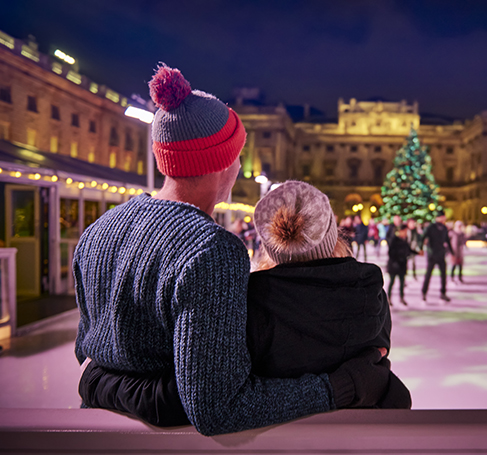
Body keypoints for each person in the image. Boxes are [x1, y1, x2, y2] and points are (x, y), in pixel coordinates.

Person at [74, 65, 392, 435]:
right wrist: (339, 386)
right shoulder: (211, 252)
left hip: (92, 438)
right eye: (238, 154)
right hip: (169, 454)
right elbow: (219, 408)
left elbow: (88, 358)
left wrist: (100, 383)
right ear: (223, 163)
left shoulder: (96, 232)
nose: (241, 165)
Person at [421, 209, 454, 302]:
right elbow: (423, 237)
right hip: (432, 255)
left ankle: (443, 293)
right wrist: (421, 248)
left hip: (441, 254)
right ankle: (424, 292)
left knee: (443, 275)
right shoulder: (431, 227)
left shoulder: (444, 228)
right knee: (428, 274)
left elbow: (447, 240)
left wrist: (452, 253)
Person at [387, 224, 421, 306]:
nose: (406, 233)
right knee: (392, 282)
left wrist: (417, 252)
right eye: (405, 231)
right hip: (394, 266)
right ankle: (388, 298)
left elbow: (409, 250)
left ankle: (401, 298)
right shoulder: (394, 240)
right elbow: (390, 252)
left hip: (402, 265)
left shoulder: (405, 240)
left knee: (402, 283)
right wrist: (395, 262)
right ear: (400, 231)